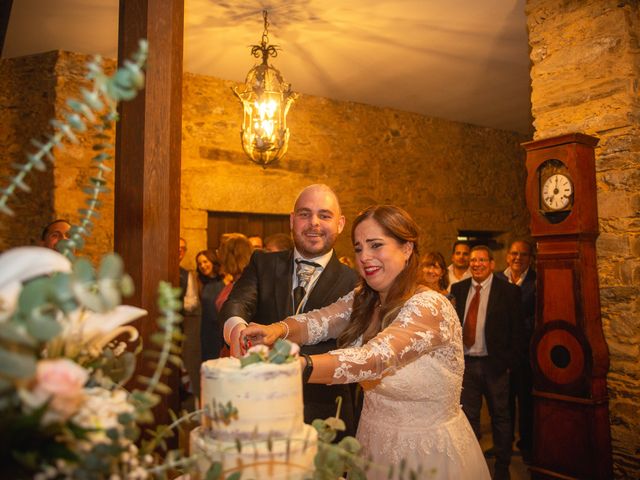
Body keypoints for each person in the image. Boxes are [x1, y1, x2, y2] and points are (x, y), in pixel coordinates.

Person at [241, 205, 490, 480]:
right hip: (372, 443)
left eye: (375, 245)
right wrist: (275, 330)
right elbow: (319, 321)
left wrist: (299, 366)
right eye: (359, 248)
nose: (365, 257)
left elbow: (374, 358)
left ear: (407, 248)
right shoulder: (365, 297)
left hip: (426, 455)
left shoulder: (430, 307)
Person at [221, 184, 359, 437]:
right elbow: (237, 303)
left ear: (340, 224)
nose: (313, 223)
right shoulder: (262, 263)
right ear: (292, 220)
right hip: (258, 408)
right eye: (305, 214)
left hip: (324, 415)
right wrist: (238, 331)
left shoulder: (357, 283)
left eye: (324, 215)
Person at [450, 245, 524, 480]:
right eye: (473, 260)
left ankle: (502, 467)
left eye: (482, 260)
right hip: (467, 366)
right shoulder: (459, 289)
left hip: (495, 366)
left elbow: (518, 331)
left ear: (492, 264)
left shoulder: (508, 292)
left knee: (500, 417)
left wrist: (509, 362)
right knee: (468, 418)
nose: (476, 264)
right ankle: (473, 466)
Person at [496, 239, 536, 463]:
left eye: (523, 254)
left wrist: (518, 327)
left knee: (526, 400)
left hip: (527, 352)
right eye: (514, 254)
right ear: (507, 256)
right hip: (503, 351)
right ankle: (505, 442)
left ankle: (527, 443)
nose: (517, 258)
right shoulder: (498, 279)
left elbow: (539, 313)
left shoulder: (537, 280)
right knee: (503, 400)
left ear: (530, 258)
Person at [196, 249, 224, 363]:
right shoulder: (200, 283)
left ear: (213, 261)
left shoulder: (225, 280)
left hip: (221, 329)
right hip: (207, 331)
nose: (202, 266)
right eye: (199, 263)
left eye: (205, 261)